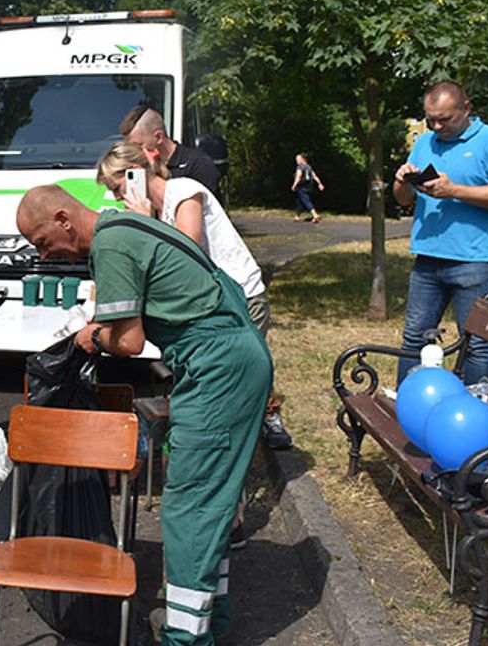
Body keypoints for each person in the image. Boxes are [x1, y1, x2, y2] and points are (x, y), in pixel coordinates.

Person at [16, 185, 272, 645]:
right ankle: (214, 621)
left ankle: (185, 637)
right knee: (209, 502)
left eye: (41, 241)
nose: (45, 253)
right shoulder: (123, 224)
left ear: (63, 219)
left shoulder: (110, 244)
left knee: (189, 506)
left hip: (218, 368)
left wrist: (89, 339)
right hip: (234, 354)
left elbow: (129, 342)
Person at [95, 141, 291, 451]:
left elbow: (186, 250)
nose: (118, 198)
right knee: (224, 385)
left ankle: (256, 431)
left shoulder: (183, 190)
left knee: (238, 380)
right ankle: (227, 447)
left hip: (242, 296)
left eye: (118, 188)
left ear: (135, 174)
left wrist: (143, 224)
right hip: (217, 303)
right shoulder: (157, 213)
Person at [393, 81, 488, 385]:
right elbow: (403, 199)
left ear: (466, 108)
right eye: (430, 119)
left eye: (445, 119)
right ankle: (407, 406)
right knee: (414, 339)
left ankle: (474, 412)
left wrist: (454, 191)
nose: (437, 126)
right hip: (427, 258)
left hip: (474, 261)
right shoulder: (425, 142)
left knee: (475, 343)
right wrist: (401, 181)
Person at [119, 105, 221, 197]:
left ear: (159, 137)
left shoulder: (197, 165)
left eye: (139, 145)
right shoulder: (141, 169)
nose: (134, 151)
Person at [291, 154, 325, 223]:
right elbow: (314, 175)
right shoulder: (309, 167)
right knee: (300, 201)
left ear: (303, 159)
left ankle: (315, 215)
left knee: (306, 201)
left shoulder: (300, 167)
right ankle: (297, 216)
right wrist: (319, 183)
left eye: (298, 159)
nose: (297, 161)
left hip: (301, 186)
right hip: (308, 186)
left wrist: (294, 185)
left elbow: (298, 176)